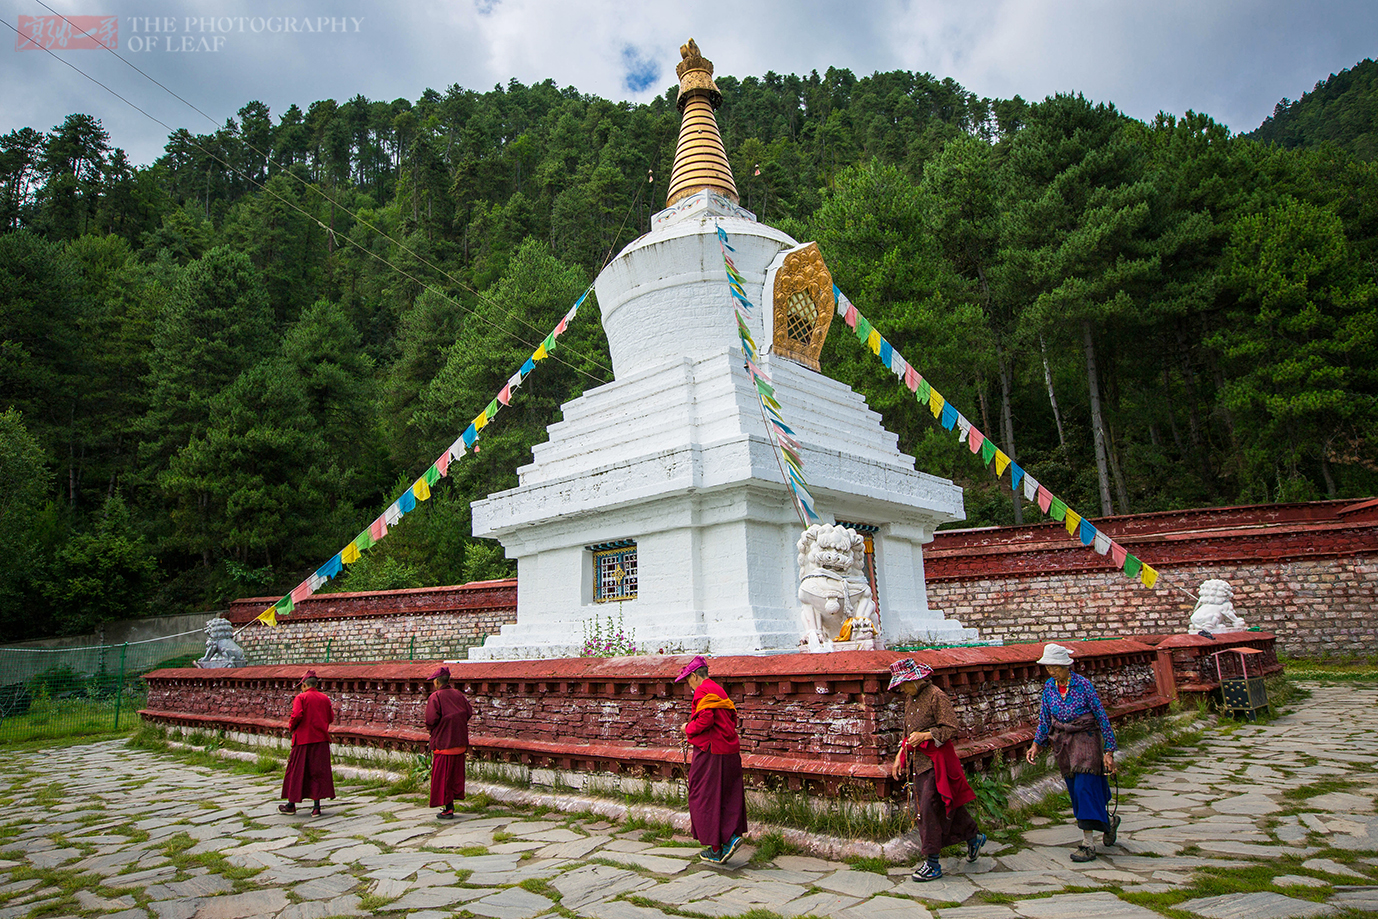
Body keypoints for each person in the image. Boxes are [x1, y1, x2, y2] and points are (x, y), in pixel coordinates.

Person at [888, 658, 986, 881]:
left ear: (917, 679)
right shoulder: (910, 699)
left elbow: (951, 727)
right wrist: (900, 757)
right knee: (942, 803)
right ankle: (973, 837)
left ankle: (932, 863)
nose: (902, 688)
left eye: (904, 684)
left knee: (928, 809)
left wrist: (926, 735)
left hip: (937, 762)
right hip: (918, 761)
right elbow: (908, 733)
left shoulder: (936, 696)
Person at [1025, 643, 1120, 863]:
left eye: (1056, 667)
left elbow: (1101, 715)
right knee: (1077, 791)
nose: (1052, 672)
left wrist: (1109, 750)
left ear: (1067, 666)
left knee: (1085, 787)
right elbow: (1045, 719)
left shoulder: (1083, 686)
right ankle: (1108, 822)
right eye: (1048, 667)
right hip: (1064, 744)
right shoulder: (1049, 688)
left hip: (1086, 740)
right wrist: (1037, 744)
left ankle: (1088, 844)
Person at [677, 656, 747, 864]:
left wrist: (687, 728)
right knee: (726, 795)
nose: (688, 685)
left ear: (694, 676)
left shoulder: (702, 690)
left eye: (688, 680)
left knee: (704, 795)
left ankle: (717, 848)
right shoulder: (719, 689)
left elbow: (706, 719)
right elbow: (732, 718)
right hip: (730, 750)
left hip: (711, 751)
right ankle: (730, 837)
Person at [279, 670, 335, 816]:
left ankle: (291, 805)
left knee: (296, 771)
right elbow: (330, 718)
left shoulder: (301, 698)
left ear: (304, 685)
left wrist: (292, 726)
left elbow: (297, 715)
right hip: (321, 739)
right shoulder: (324, 699)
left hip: (303, 740)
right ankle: (316, 807)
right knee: (317, 772)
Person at [425, 666, 473, 819]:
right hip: (459, 742)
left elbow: (431, 720)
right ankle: (450, 805)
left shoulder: (436, 697)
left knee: (443, 777)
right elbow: (468, 712)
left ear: (437, 682)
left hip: (444, 743)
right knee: (454, 775)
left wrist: (433, 730)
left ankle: (448, 809)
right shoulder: (458, 695)